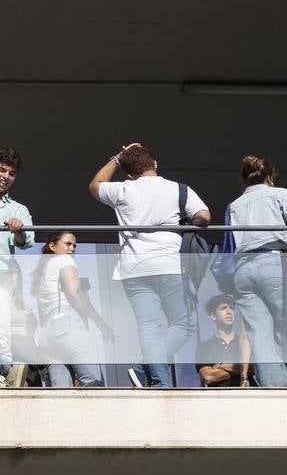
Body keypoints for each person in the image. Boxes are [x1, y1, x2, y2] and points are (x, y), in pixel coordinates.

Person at [90, 143, 210, 387]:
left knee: (148, 325)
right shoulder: (178, 190)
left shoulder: (123, 189)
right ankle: (145, 369)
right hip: (169, 263)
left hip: (134, 268)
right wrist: (184, 224)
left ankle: (156, 377)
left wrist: (117, 157)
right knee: (184, 324)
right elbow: (204, 216)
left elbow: (95, 185)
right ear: (154, 165)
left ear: (130, 173)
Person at [225, 156, 287, 388]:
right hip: (273, 262)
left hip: (243, 269)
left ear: (245, 179)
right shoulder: (280, 193)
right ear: (270, 176)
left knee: (260, 337)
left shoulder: (234, 205)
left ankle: (274, 391)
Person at [32, 231, 114, 388]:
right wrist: (101, 324)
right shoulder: (63, 260)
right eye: (68, 244)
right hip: (66, 323)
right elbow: (74, 292)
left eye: (74, 245)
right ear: (52, 246)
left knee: (61, 391)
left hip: (47, 335)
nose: (72, 248)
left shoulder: (42, 271)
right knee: (93, 382)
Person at [0, 147, 36, 385]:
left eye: (12, 173)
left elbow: (26, 243)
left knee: (0, 336)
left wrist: (19, 231)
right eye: (2, 170)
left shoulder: (18, 210)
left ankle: (4, 388)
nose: (5, 176)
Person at [196, 294, 252, 387]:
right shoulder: (205, 347)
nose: (229, 311)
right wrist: (241, 368)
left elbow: (253, 368)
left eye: (231, 308)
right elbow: (208, 377)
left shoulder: (245, 342)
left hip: (246, 396)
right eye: (223, 308)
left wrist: (221, 365)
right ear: (213, 316)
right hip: (219, 399)